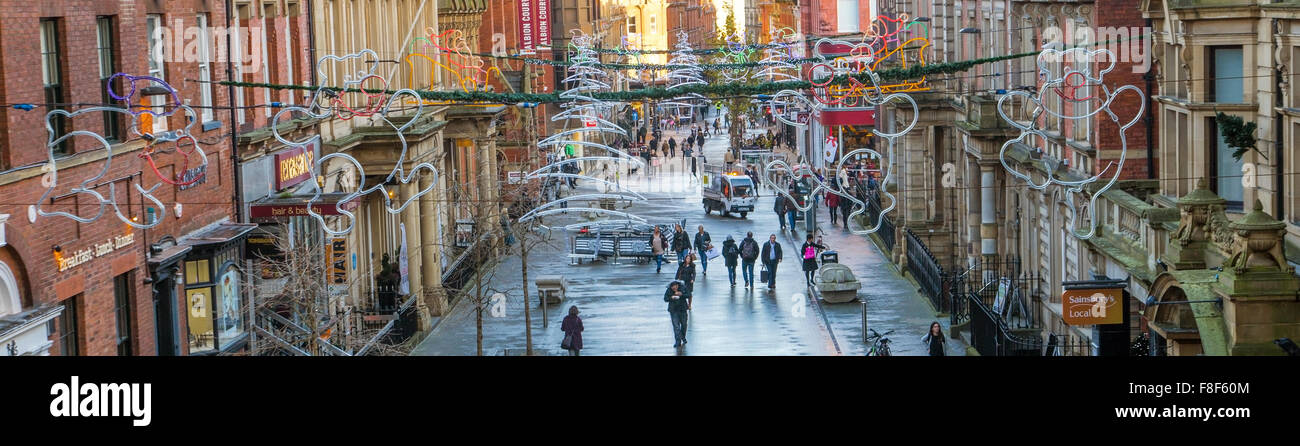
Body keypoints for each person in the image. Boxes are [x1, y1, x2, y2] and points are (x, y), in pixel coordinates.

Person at [665, 280, 691, 348]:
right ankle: (678, 341)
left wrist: (681, 294)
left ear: (677, 285)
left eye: (675, 287)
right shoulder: (669, 290)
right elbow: (665, 298)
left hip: (683, 310)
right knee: (676, 327)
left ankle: (683, 337)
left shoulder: (683, 288)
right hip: (673, 310)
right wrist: (671, 297)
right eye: (672, 287)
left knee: (684, 325)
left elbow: (689, 295)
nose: (674, 288)